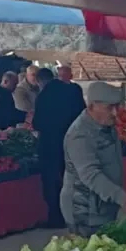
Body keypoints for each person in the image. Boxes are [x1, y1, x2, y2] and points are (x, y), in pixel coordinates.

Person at [61, 83, 126, 235]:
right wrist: (123, 199)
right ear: (92, 106)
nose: (115, 113)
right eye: (109, 108)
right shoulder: (79, 135)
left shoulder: (107, 126)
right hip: (85, 211)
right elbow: (91, 175)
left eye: (117, 107)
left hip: (104, 206)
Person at [32, 66, 86, 227]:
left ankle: (56, 217)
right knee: (72, 179)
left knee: (51, 181)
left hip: (50, 145)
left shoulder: (43, 96)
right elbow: (83, 114)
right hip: (73, 142)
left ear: (39, 81)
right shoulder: (74, 90)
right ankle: (77, 212)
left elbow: (38, 123)